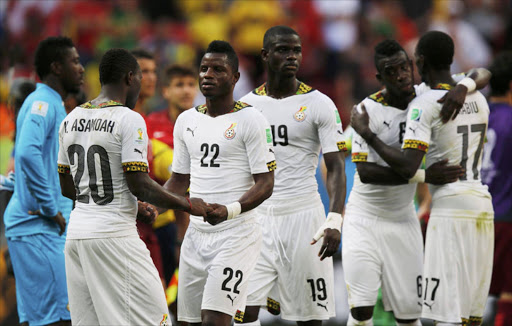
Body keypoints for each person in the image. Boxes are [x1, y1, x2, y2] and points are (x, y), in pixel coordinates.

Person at [57, 48, 210, 326]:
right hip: (115, 235)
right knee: (157, 318)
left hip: (77, 236)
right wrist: (189, 204)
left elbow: (68, 188)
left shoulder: (70, 120)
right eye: (141, 77)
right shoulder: (130, 119)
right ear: (131, 77)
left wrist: (134, 205)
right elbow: (140, 184)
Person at [351, 31, 493, 325]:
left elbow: (406, 166)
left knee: (440, 313)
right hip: (480, 205)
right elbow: (364, 172)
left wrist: (368, 134)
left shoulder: (424, 100)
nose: (402, 75)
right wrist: (464, 86)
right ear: (380, 77)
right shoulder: (475, 95)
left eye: (406, 67)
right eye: (393, 71)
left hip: (446, 210)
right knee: (469, 314)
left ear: (418, 63)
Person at [237, 25, 347, 326]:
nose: (292, 56)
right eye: (283, 50)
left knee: (309, 317)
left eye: (296, 50)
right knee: (244, 311)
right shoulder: (246, 106)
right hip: (258, 216)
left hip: (304, 215)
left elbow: (336, 166)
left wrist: (335, 218)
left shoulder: (319, 103)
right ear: (265, 55)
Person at [164, 40, 275, 326]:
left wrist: (230, 210)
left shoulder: (252, 119)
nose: (207, 75)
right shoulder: (186, 120)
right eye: (203, 69)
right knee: (187, 321)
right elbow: (178, 180)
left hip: (236, 233)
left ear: (236, 77)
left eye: (217, 69)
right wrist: (152, 203)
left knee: (215, 320)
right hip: (195, 236)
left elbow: (266, 184)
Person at [3, 36, 83, 326]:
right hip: (38, 226)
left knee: (42, 318)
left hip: (42, 226)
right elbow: (26, 154)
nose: (81, 68)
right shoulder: (42, 103)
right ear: (56, 67)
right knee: (57, 319)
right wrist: (51, 208)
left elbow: (39, 163)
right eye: (75, 62)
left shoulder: (51, 103)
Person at [482, 51, 512, 326]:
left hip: (474, 216)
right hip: (506, 217)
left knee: (473, 297)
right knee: (508, 295)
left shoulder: (475, 117)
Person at [131, 48, 157, 119]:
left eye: (154, 71)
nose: (152, 78)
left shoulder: (148, 116)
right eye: (145, 71)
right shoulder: (116, 117)